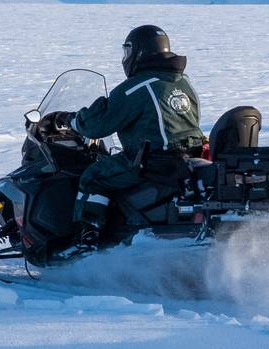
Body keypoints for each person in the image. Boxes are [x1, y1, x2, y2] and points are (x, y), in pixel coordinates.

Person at [64, 25, 204, 240]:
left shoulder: (137, 87)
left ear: (139, 52)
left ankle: (87, 237)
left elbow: (98, 125)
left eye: (127, 52)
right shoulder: (184, 83)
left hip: (151, 162)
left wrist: (72, 121)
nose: (125, 58)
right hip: (186, 157)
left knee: (93, 176)